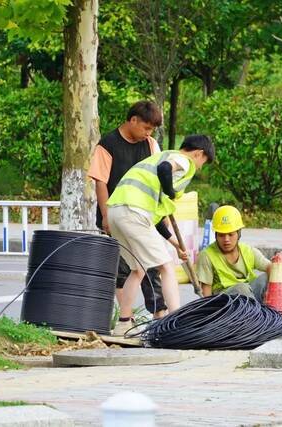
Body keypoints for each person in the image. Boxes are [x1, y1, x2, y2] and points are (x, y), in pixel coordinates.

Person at [107, 135, 215, 335]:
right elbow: (165, 170)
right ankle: (176, 324)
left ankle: (123, 324)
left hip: (116, 211)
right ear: (199, 154)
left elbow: (156, 222)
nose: (200, 168)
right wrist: (171, 191)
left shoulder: (156, 159)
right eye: (203, 163)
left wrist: (176, 244)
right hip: (134, 211)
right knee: (166, 266)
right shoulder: (182, 160)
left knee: (138, 269)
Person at [87, 101, 168, 325]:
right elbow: (101, 183)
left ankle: (159, 314)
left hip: (143, 216)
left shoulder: (151, 145)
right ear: (133, 120)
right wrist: (105, 217)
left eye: (152, 129)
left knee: (151, 265)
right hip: (117, 215)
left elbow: (158, 179)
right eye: (146, 128)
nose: (148, 133)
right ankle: (127, 319)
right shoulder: (108, 144)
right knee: (123, 268)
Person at [195, 205, 272, 302]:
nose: (226, 240)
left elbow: (270, 267)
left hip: (248, 295)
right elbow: (206, 294)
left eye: (231, 234)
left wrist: (277, 264)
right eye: (221, 235)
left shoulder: (247, 251)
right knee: (241, 288)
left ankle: (265, 311)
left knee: (266, 278)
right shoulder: (206, 255)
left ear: (238, 234)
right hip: (224, 302)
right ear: (216, 235)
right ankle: (256, 313)